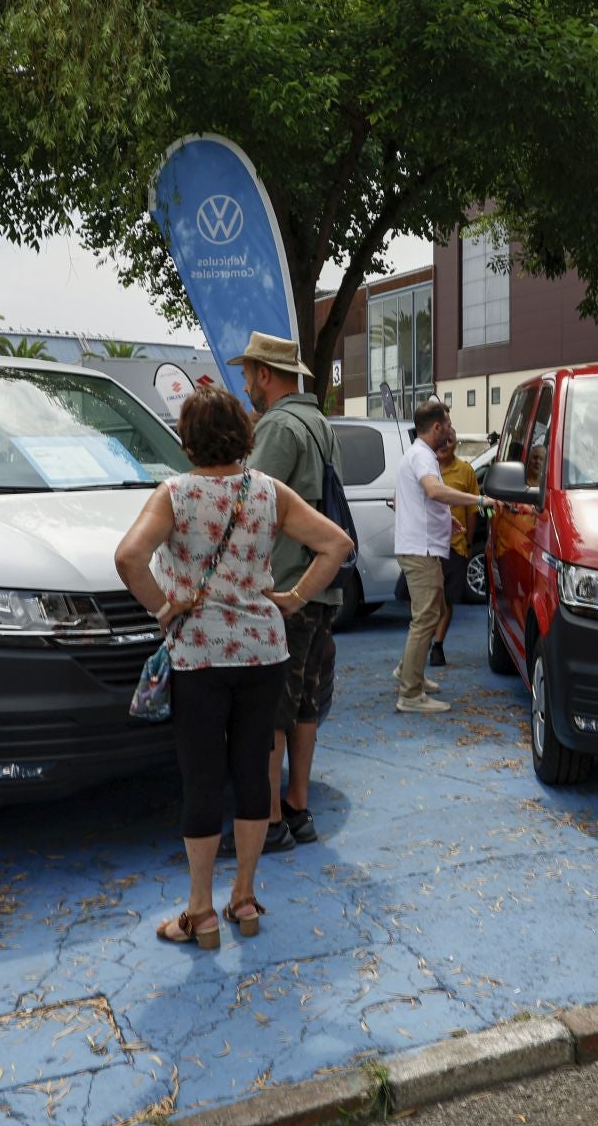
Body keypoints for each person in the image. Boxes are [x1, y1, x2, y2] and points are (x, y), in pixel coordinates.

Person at [114, 385, 352, 948]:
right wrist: (291, 597)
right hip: (264, 652)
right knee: (252, 773)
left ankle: (199, 912)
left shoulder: (173, 495)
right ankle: (243, 899)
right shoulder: (268, 492)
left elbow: (128, 557)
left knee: (201, 778)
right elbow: (337, 543)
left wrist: (164, 607)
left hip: (198, 654)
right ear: (244, 436)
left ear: (188, 438)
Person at [232, 332, 342, 854]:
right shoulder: (319, 422)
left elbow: (254, 504)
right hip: (318, 587)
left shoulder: (277, 425)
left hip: (285, 589)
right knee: (303, 705)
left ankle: (271, 819)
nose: (246, 383)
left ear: (267, 375)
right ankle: (297, 808)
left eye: (249, 373)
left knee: (275, 707)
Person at [393, 400, 493, 712]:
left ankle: (411, 673)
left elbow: (420, 499)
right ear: (436, 427)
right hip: (420, 549)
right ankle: (410, 694)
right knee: (426, 618)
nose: (450, 431)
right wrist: (477, 499)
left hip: (424, 546)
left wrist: (444, 519)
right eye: (447, 425)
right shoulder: (423, 456)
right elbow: (434, 491)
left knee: (430, 613)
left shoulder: (419, 455)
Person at [430, 430, 479, 669]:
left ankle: (437, 645)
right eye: (441, 441)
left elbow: (472, 511)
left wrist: (468, 543)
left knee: (448, 600)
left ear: (455, 444)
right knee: (421, 597)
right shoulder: (427, 469)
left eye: (449, 441)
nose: (444, 445)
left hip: (455, 546)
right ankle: (426, 636)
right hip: (428, 547)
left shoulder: (466, 471)